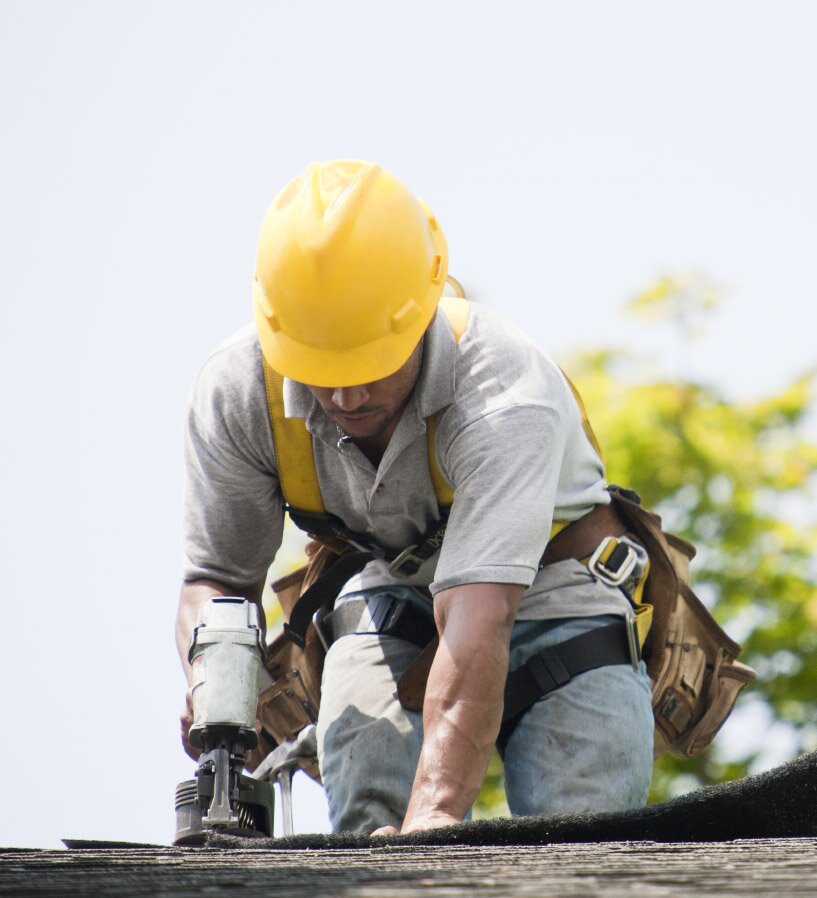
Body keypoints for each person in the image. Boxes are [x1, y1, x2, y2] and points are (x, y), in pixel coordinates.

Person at [176, 159, 654, 834]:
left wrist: (431, 830)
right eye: (320, 370)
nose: (345, 397)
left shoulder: (502, 389)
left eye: (368, 366)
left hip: (559, 594)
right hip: (395, 588)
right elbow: (218, 582)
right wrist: (219, 682)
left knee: (580, 837)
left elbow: (478, 617)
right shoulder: (239, 393)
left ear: (421, 313)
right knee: (365, 809)